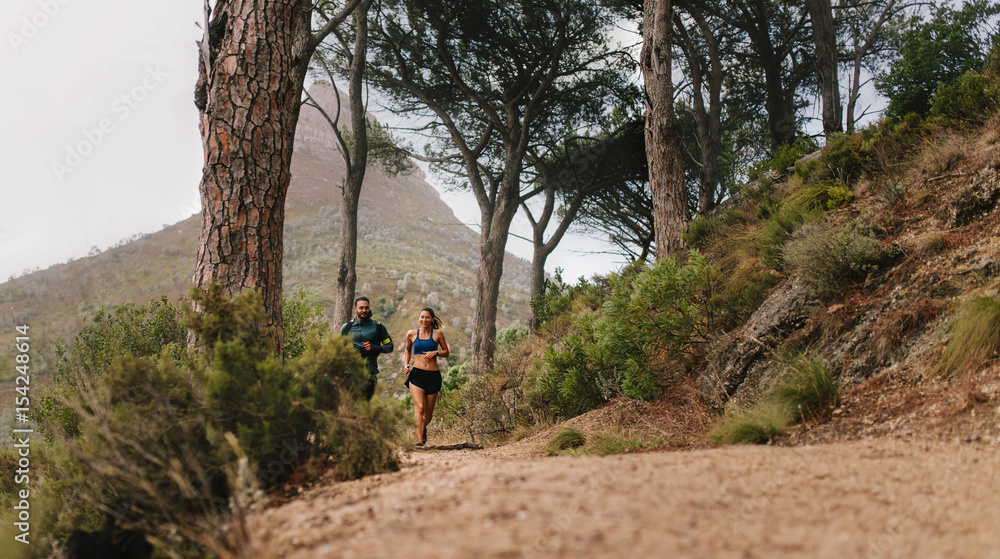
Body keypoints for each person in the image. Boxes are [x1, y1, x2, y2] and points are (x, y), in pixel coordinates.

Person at [403, 307, 450, 446]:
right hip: (417, 374)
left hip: (433, 376)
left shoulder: (438, 334)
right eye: (422, 317)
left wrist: (436, 352)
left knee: (427, 414)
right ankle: (419, 442)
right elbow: (407, 350)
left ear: (432, 319)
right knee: (420, 408)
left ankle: (422, 429)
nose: (424, 320)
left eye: (427, 317)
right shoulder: (411, 334)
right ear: (419, 318)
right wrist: (406, 364)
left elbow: (446, 352)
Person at [340, 296, 394, 400]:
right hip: (350, 375)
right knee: (350, 408)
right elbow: (339, 349)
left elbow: (390, 346)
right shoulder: (346, 328)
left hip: (370, 374)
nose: (364, 310)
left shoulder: (378, 327)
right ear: (355, 309)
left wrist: (374, 347)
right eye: (361, 308)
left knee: (366, 408)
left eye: (366, 308)